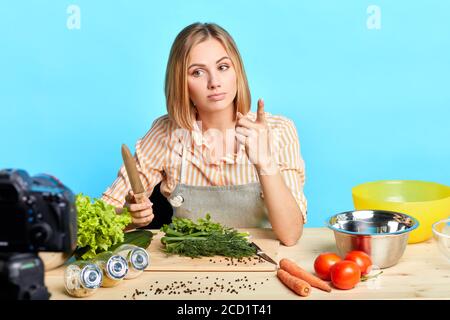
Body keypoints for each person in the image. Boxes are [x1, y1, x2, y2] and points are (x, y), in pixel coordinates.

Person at [101, 22, 307, 246]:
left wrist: (265, 161)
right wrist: (129, 217)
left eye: (223, 67)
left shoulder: (278, 131)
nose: (214, 82)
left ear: (237, 71)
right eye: (197, 72)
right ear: (181, 83)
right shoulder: (165, 133)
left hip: (261, 265)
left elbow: (291, 234)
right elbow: (104, 215)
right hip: (187, 267)